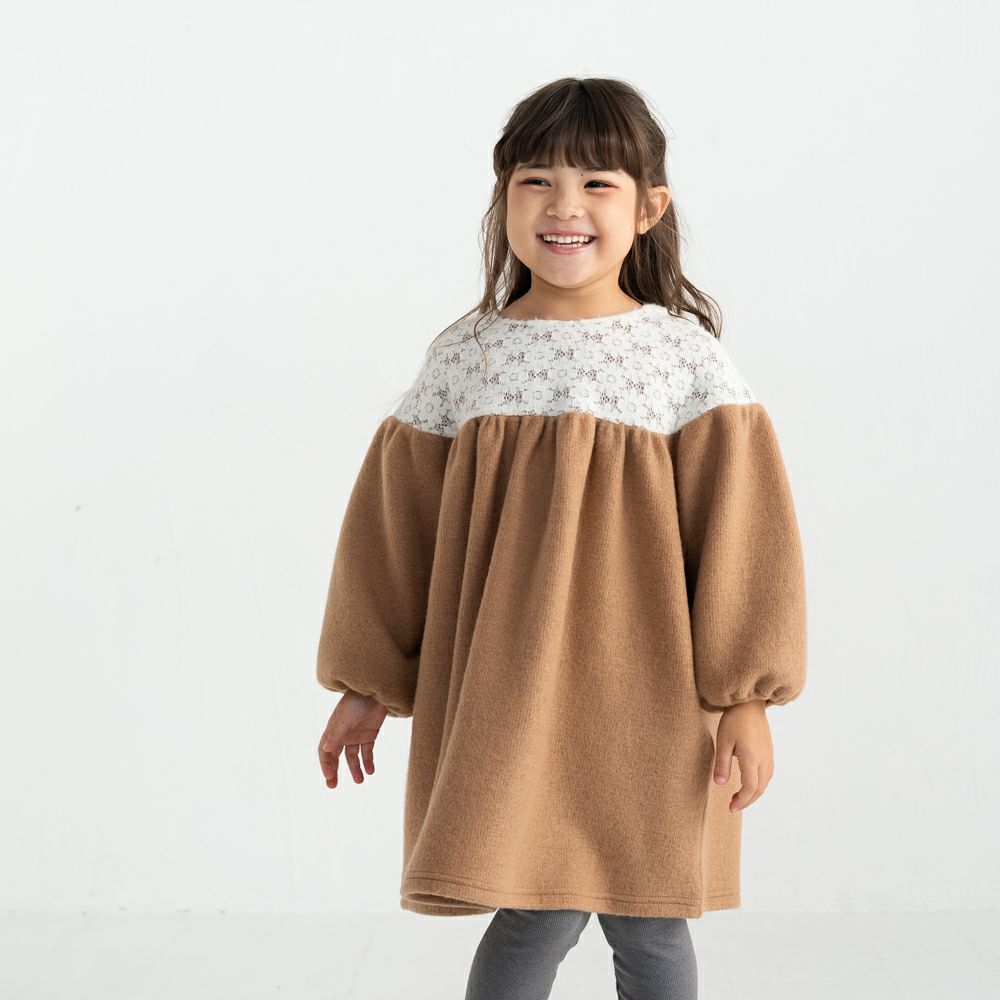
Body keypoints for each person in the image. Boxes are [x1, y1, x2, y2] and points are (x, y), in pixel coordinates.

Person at [315, 76, 807, 1000]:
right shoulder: (468, 357)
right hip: (507, 697)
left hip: (651, 701)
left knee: (650, 917)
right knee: (532, 912)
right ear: (503, 199)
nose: (564, 206)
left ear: (649, 208)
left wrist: (748, 698)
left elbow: (744, 534)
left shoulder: (683, 360)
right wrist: (368, 682)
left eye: (597, 183)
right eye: (536, 180)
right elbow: (393, 532)